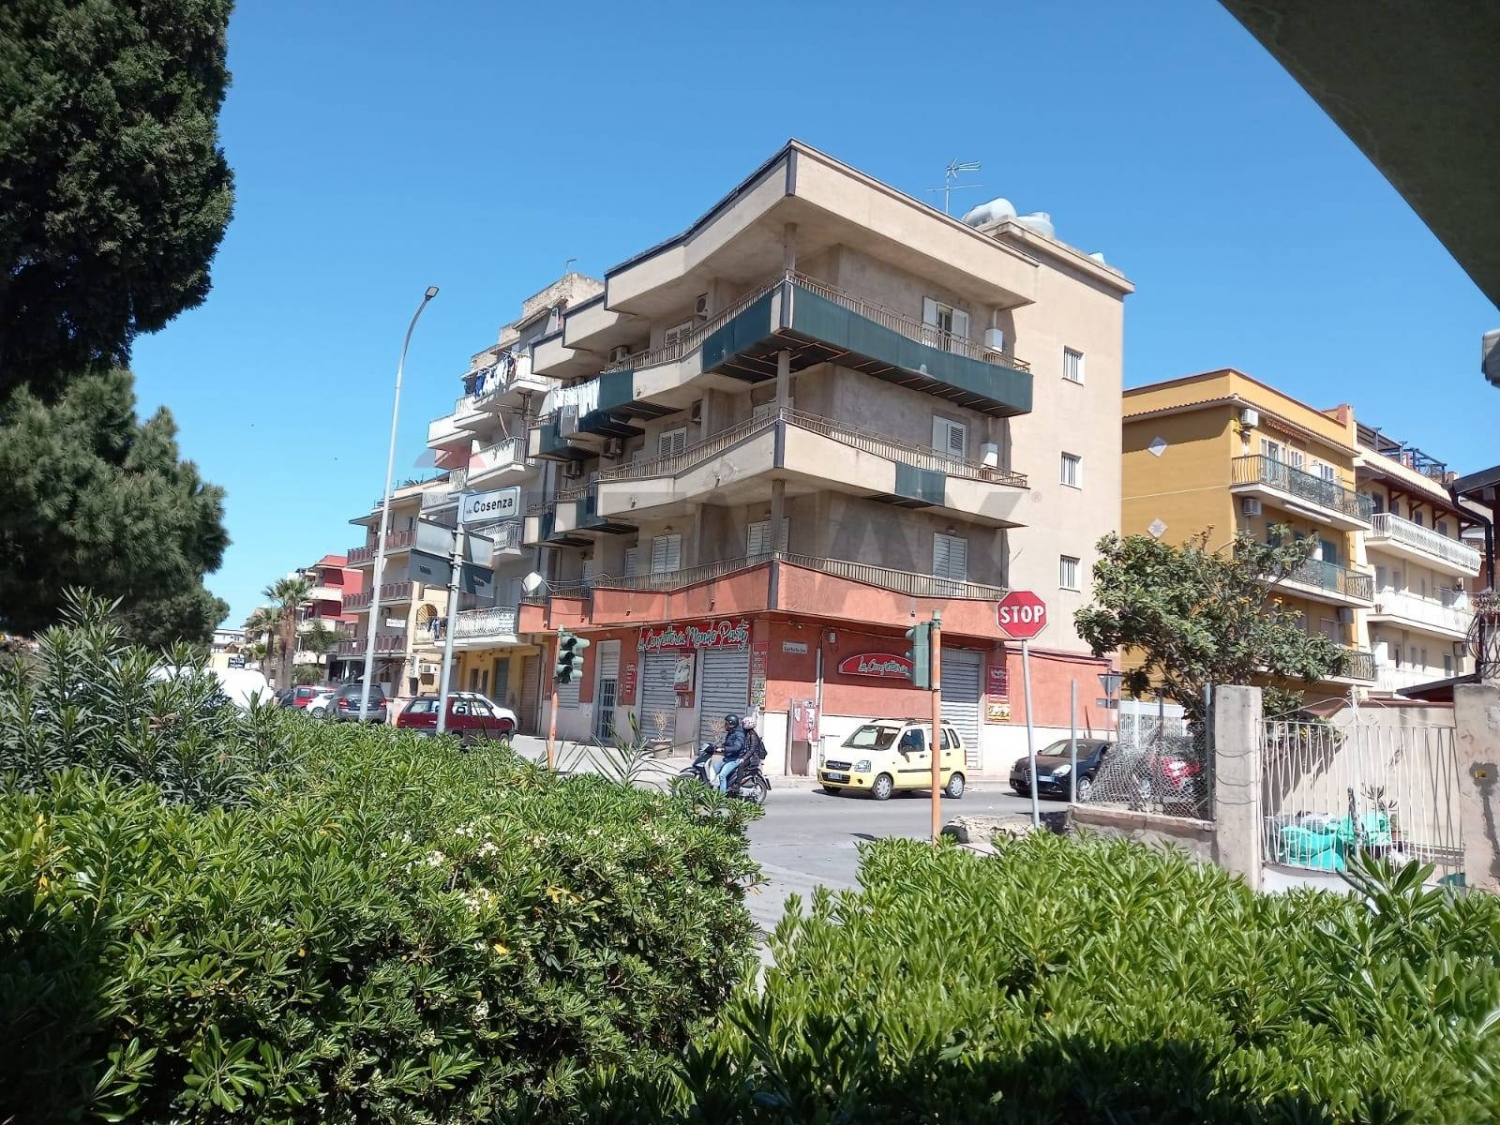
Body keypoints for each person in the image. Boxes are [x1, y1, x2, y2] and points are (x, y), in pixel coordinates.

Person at [716, 712, 746, 793]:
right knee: (714, 769)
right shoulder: (731, 732)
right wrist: (717, 747)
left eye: (726, 724)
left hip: (735, 759)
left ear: (731, 724)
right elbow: (728, 744)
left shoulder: (739, 734)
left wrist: (724, 749)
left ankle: (721, 797)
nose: (724, 725)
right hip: (728, 758)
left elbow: (737, 747)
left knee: (722, 775)